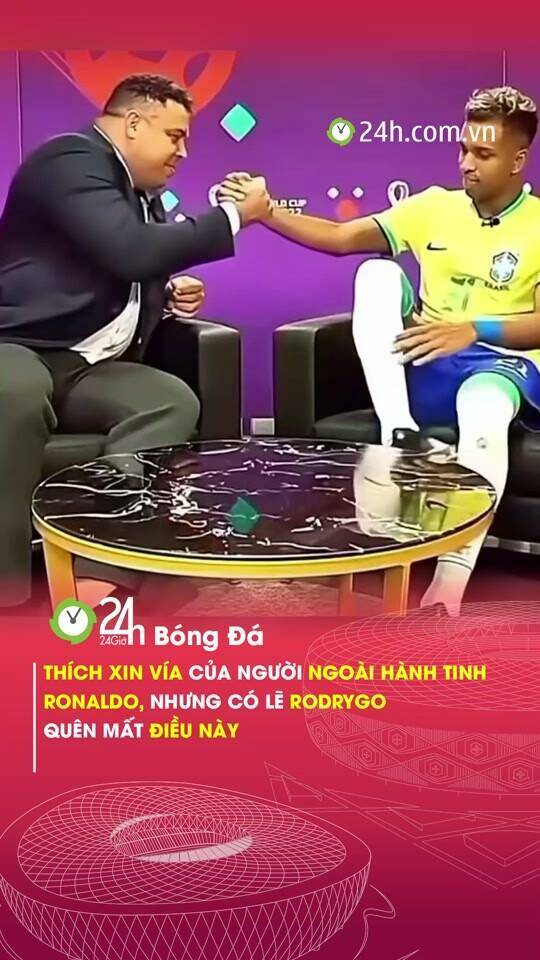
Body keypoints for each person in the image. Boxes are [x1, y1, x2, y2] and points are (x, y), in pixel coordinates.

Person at [220, 85, 540, 616]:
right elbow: (341, 237)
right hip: (428, 359)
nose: (466, 163)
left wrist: (474, 328)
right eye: (463, 149)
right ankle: (400, 431)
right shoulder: (434, 206)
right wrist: (266, 212)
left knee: (482, 407)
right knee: (375, 272)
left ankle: (446, 593)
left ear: (517, 160)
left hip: (499, 367)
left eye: (483, 154)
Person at [0, 72, 272, 610]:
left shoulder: (141, 195)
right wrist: (235, 216)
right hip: (19, 346)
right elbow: (129, 251)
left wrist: (163, 296)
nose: (183, 152)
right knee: (14, 393)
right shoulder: (70, 160)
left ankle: (101, 573)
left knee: (168, 401)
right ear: (131, 124)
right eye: (174, 136)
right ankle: (7, 588)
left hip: (87, 367)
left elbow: (112, 266)